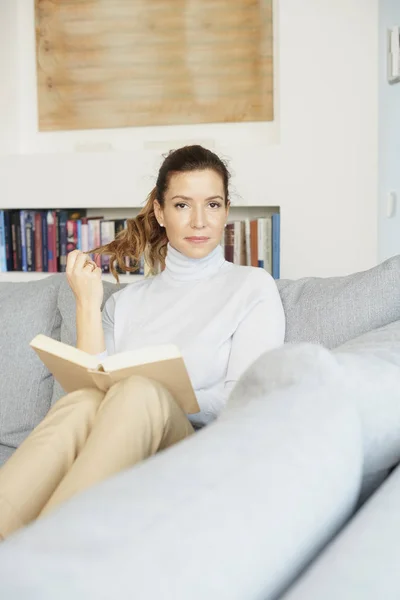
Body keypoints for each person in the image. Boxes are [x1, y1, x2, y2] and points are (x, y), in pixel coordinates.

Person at [0, 145, 285, 540]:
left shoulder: (251, 286)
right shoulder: (129, 302)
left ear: (226, 211)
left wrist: (157, 388)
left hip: (193, 445)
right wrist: (88, 302)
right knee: (83, 401)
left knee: (138, 391)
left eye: (213, 204)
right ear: (160, 212)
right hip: (125, 439)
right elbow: (92, 388)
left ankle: (52, 546)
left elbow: (248, 397)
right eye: (183, 205)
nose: (200, 220)